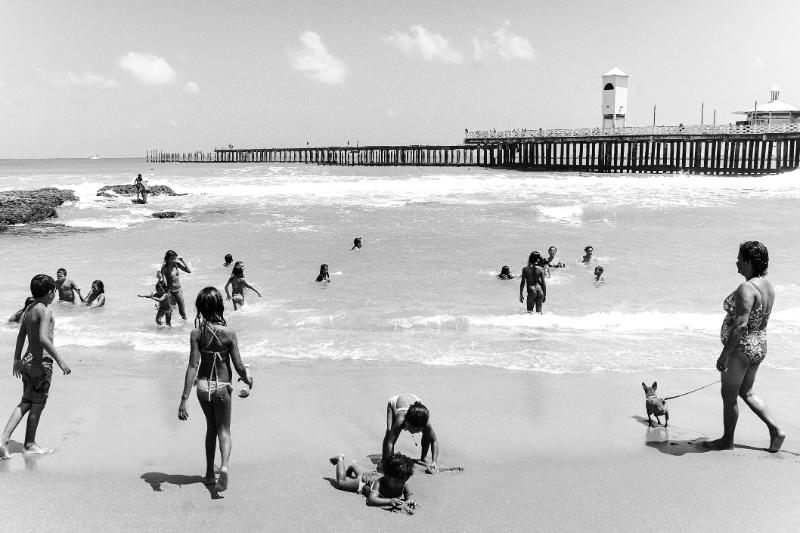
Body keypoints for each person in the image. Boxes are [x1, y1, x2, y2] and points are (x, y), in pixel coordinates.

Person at [705, 241, 784, 452]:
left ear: (749, 262)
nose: (737, 262)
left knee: (729, 395)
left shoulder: (746, 288)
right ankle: (776, 431)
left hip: (741, 349)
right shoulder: (768, 285)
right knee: (746, 391)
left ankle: (726, 441)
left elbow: (740, 326)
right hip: (759, 343)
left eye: (740, 258)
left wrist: (724, 356)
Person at [178, 287, 252, 492]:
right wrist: (248, 378)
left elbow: (192, 366)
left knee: (211, 428)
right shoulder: (229, 334)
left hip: (202, 387)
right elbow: (238, 367)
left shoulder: (196, 333)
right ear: (220, 306)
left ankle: (210, 474)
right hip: (222, 387)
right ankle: (225, 467)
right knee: (224, 430)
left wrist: (184, 399)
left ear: (200, 308)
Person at [0, 275, 71, 459]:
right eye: (54, 291)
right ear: (50, 293)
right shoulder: (45, 310)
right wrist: (60, 360)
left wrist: (16, 360)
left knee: (25, 402)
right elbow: (42, 338)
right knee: (38, 404)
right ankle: (29, 444)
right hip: (41, 363)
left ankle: (3, 440)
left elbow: (21, 336)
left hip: (26, 362)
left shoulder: (29, 309)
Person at [329, 453, 416, 513]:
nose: (401, 484)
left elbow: (409, 494)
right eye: (397, 481)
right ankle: (340, 459)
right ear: (387, 476)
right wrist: (389, 501)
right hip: (364, 483)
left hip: (374, 475)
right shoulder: (380, 482)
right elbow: (371, 500)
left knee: (364, 473)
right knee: (341, 483)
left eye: (404, 481)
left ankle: (353, 466)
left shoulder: (402, 480)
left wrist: (410, 499)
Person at [382, 394, 438, 474]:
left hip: (414, 405)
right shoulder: (400, 420)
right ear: (407, 422)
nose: (414, 432)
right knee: (389, 431)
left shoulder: (424, 422)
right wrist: (389, 463)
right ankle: (385, 459)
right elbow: (391, 443)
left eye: (418, 430)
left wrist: (434, 461)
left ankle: (423, 457)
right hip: (395, 402)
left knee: (427, 434)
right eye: (411, 429)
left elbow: (434, 441)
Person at [157, 250, 191, 320]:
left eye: (175, 258)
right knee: (170, 311)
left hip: (178, 291)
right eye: (172, 258)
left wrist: (182, 261)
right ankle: (169, 327)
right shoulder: (164, 268)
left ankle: (185, 327)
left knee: (182, 312)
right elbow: (163, 281)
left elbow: (189, 271)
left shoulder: (177, 265)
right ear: (167, 259)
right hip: (170, 292)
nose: (174, 260)